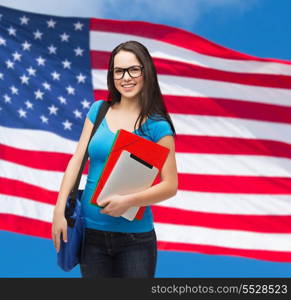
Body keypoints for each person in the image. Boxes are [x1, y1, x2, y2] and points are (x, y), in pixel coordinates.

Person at [52, 40, 178, 278]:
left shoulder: (157, 125)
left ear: (146, 71)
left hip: (135, 241)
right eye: (119, 71)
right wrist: (59, 209)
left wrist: (129, 200)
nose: (126, 77)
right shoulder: (99, 110)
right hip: (90, 236)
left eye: (133, 69)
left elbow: (170, 185)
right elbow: (77, 160)